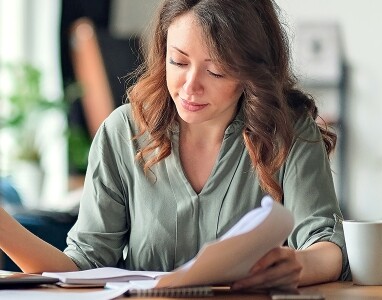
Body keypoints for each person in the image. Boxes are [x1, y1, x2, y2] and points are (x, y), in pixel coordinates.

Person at [0, 0, 350, 290]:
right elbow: (82, 266)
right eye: (178, 62)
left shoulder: (289, 130)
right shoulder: (123, 132)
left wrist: (297, 264)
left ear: (251, 72)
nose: (190, 86)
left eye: (216, 71)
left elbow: (326, 245)